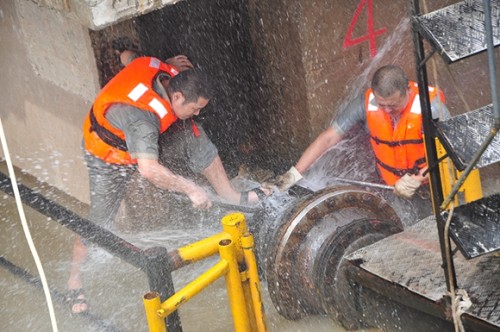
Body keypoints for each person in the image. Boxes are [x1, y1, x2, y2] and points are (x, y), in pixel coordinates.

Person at [66, 50, 268, 314]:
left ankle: (229, 194)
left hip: (142, 132)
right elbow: (148, 170)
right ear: (177, 96)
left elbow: (129, 58)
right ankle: (74, 279)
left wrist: (139, 57)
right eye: (195, 107)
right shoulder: (143, 120)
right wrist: (190, 189)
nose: (197, 112)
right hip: (109, 157)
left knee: (192, 130)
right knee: (99, 221)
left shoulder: (162, 70)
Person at [265, 65, 449, 198]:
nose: (386, 111)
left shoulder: (430, 107)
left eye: (393, 105)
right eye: (381, 105)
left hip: (433, 187)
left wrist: (418, 179)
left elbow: (450, 151)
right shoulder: (365, 103)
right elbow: (329, 138)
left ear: (407, 91)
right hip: (391, 187)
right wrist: (294, 174)